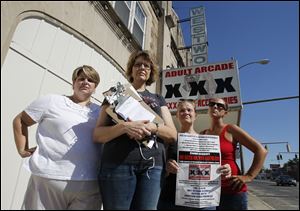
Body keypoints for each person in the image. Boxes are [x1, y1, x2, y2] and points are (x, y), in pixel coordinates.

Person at [93, 50, 177, 210]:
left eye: (147, 65)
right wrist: (124, 127)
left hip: (152, 167)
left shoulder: (159, 99)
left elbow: (172, 135)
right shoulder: (115, 94)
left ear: (151, 71)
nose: (142, 68)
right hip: (117, 164)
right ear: (131, 69)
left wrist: (154, 127)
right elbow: (97, 135)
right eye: (138, 64)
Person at [12, 65, 102, 210]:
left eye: (90, 80)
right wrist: (22, 150)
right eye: (81, 78)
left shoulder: (101, 112)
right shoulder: (52, 101)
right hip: (48, 179)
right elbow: (20, 120)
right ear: (73, 83)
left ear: (95, 87)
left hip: (89, 184)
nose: (85, 82)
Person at [158, 99, 232, 210]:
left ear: (195, 115)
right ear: (177, 115)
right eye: (182, 110)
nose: (186, 112)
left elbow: (215, 170)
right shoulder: (170, 139)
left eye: (189, 110)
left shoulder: (207, 141)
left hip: (204, 202)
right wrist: (166, 168)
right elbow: (157, 170)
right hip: (171, 201)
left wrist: (226, 169)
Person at [200, 98, 268, 210]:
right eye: (212, 104)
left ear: (225, 112)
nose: (215, 107)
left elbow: (261, 150)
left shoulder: (231, 129)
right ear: (209, 108)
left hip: (232, 191)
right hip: (208, 192)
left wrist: (249, 176)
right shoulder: (202, 134)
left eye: (220, 105)